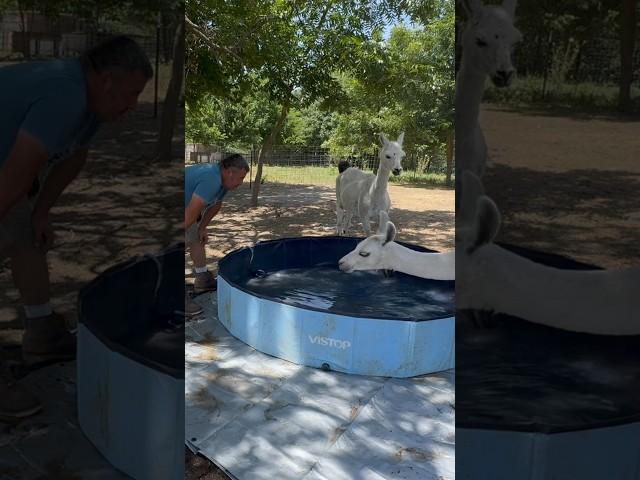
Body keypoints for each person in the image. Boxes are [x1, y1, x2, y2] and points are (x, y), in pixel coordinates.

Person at [0, 36, 153, 420]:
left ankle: (42, 336)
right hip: (6, 169)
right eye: (132, 93)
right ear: (106, 80)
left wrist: (40, 214)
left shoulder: (89, 106)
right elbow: (18, 174)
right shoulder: (65, 95)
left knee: (26, 238)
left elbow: (72, 158)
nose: (134, 106)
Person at [184, 154, 249, 315]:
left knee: (196, 240)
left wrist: (202, 228)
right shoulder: (211, 179)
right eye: (240, 178)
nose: (241, 183)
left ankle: (202, 280)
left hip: (187, 209)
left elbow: (215, 205)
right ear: (229, 173)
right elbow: (190, 214)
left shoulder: (223, 183)